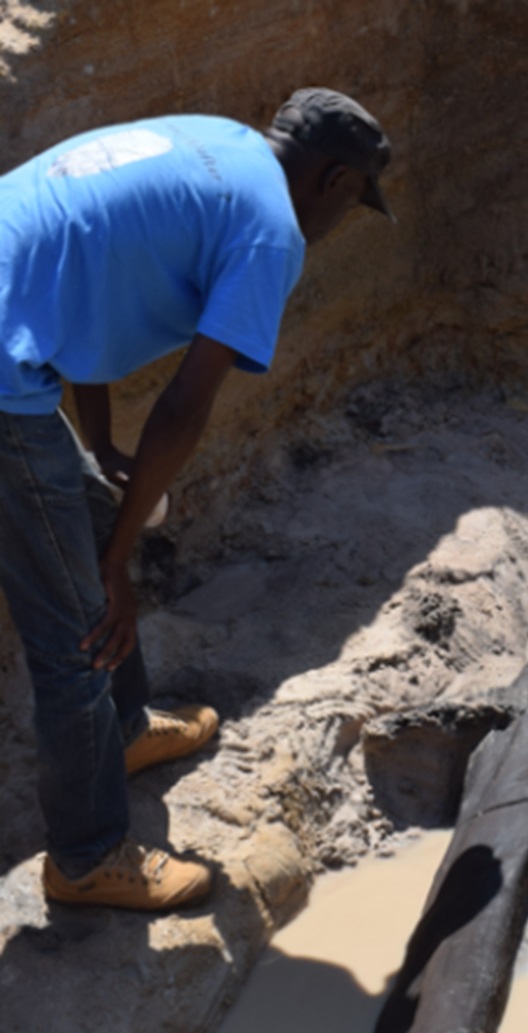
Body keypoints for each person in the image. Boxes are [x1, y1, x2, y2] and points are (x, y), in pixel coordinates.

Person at [0, 87, 393, 911]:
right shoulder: (269, 231)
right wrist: (115, 568)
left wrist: (101, 448)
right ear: (329, 178)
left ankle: (127, 726)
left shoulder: (218, 144)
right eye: (356, 198)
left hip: (14, 311)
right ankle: (85, 856)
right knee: (78, 626)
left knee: (100, 498)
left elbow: (83, 284)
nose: (344, 219)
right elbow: (186, 404)